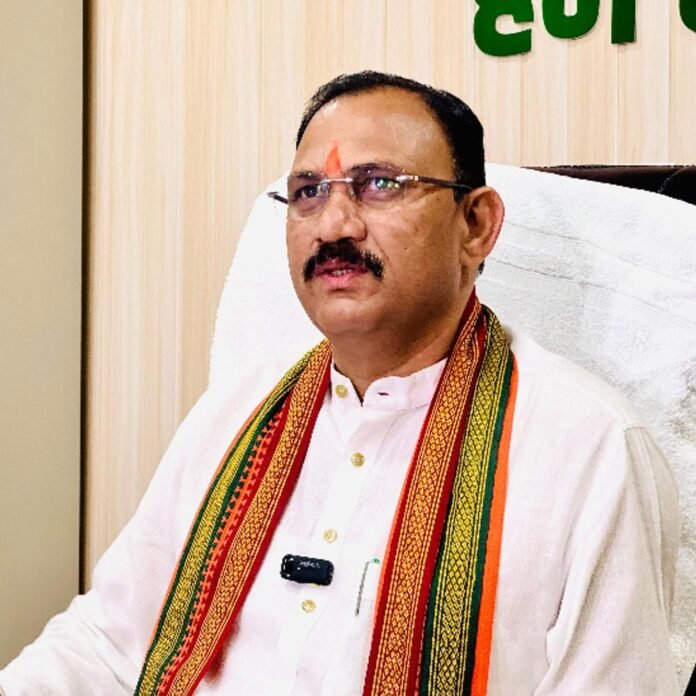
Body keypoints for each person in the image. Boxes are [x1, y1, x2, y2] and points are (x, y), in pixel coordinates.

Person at [0, 71, 679, 696]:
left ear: (475, 225)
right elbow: (107, 645)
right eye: (308, 192)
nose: (333, 225)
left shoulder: (587, 448)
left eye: (379, 184)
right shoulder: (237, 411)